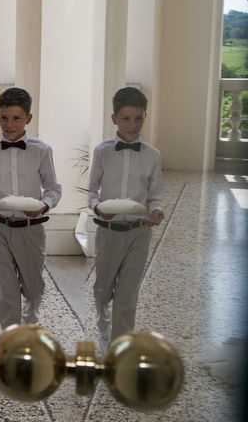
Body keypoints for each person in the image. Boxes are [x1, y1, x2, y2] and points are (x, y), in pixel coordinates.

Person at [0, 87, 62, 329]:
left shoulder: (42, 150)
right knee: (6, 288)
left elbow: (53, 188)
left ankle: (32, 312)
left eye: (16, 118)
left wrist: (44, 206)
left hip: (30, 228)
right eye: (4, 117)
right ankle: (11, 338)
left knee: (34, 285)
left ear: (28, 118)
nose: (9, 124)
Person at [87, 86, 164, 349]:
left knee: (128, 293)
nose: (133, 125)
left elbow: (155, 195)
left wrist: (157, 210)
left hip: (139, 233)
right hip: (108, 231)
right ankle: (102, 319)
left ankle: (121, 344)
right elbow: (92, 192)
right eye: (126, 118)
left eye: (139, 118)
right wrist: (98, 208)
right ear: (114, 119)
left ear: (145, 115)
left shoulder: (153, 155)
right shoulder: (102, 151)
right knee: (103, 288)